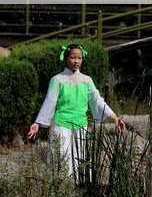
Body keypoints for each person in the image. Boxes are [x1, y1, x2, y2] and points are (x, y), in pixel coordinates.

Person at [27, 44, 125, 177]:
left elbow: (97, 101)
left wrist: (115, 118)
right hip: (61, 125)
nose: (76, 61)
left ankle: (76, 192)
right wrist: (38, 123)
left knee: (79, 159)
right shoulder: (57, 80)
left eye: (79, 58)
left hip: (81, 125)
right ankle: (59, 191)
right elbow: (50, 102)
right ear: (66, 58)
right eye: (73, 57)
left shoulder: (87, 80)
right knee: (60, 158)